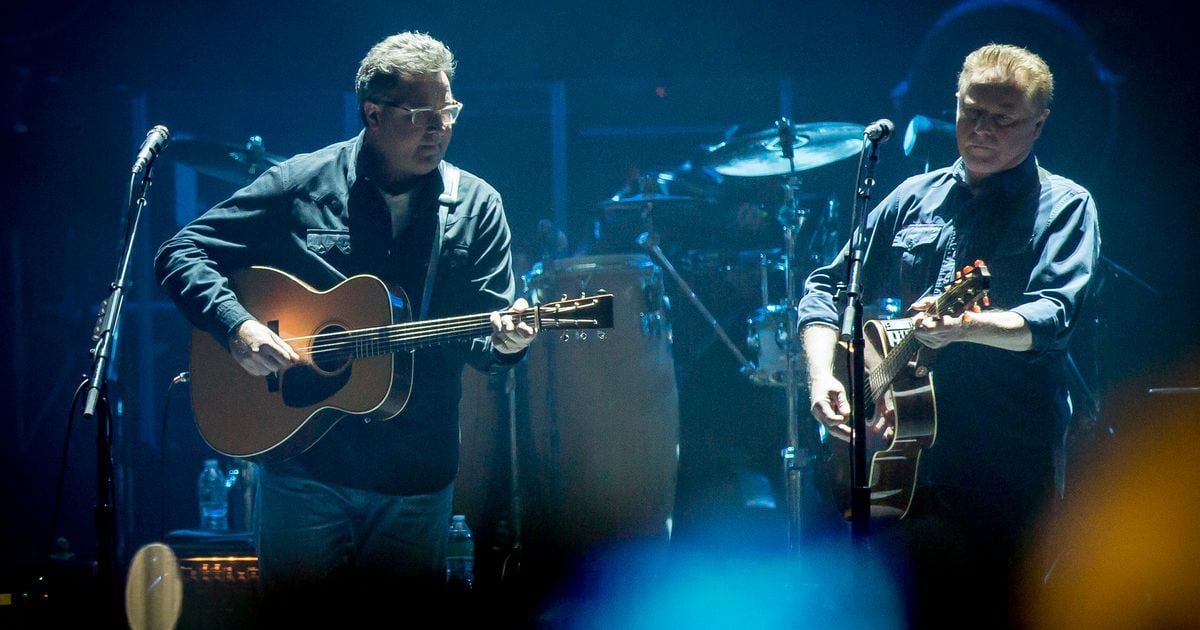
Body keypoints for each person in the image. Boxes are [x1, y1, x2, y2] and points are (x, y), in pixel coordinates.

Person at [154, 31, 536, 622]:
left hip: (416, 471)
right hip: (307, 466)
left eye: (449, 112)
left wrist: (508, 341)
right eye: (421, 115)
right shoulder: (301, 182)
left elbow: (486, 341)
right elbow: (181, 253)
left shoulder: (476, 205)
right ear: (373, 116)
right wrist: (238, 326)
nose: (440, 128)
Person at [798, 43, 1100, 628]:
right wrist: (821, 378)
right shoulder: (912, 197)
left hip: (996, 475)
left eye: (1002, 119)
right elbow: (825, 289)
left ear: (1038, 124)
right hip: (894, 466)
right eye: (970, 113)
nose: (981, 129)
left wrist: (965, 327)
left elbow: (1051, 318)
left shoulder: (1065, 207)